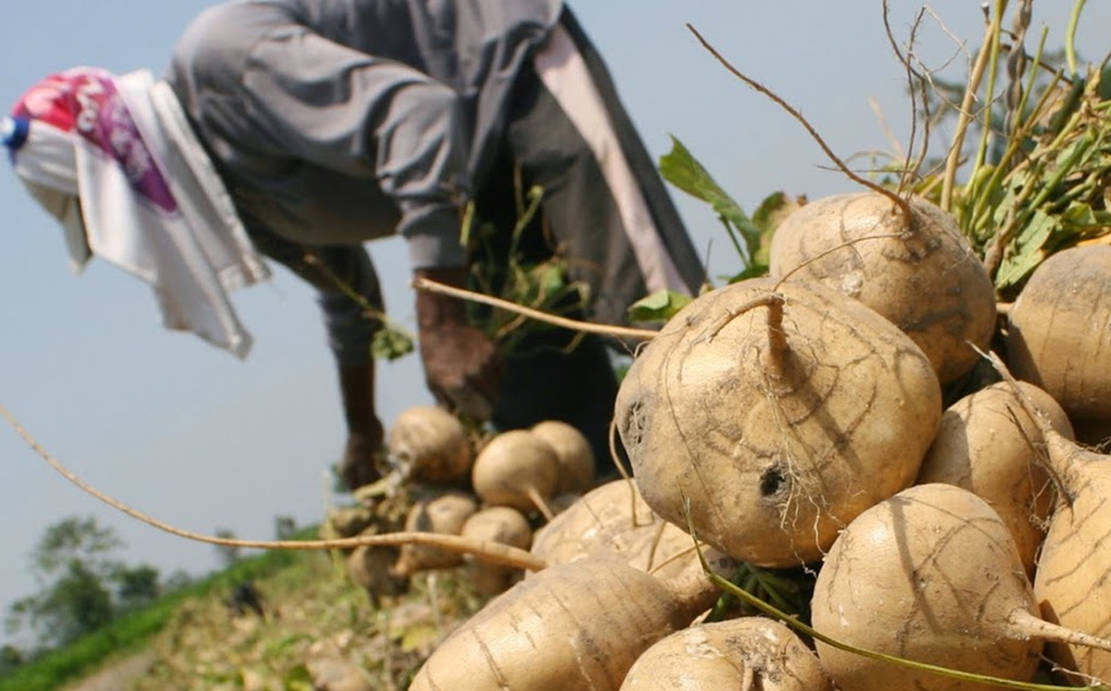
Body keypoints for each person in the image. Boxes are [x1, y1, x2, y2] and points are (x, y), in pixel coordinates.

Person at [6, 1, 706, 487]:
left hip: (506, 70)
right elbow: (348, 292)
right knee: (545, 414)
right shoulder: (235, 203)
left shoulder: (223, 61)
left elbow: (418, 115)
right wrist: (363, 426)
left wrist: (441, 320)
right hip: (468, 194)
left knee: (654, 322)